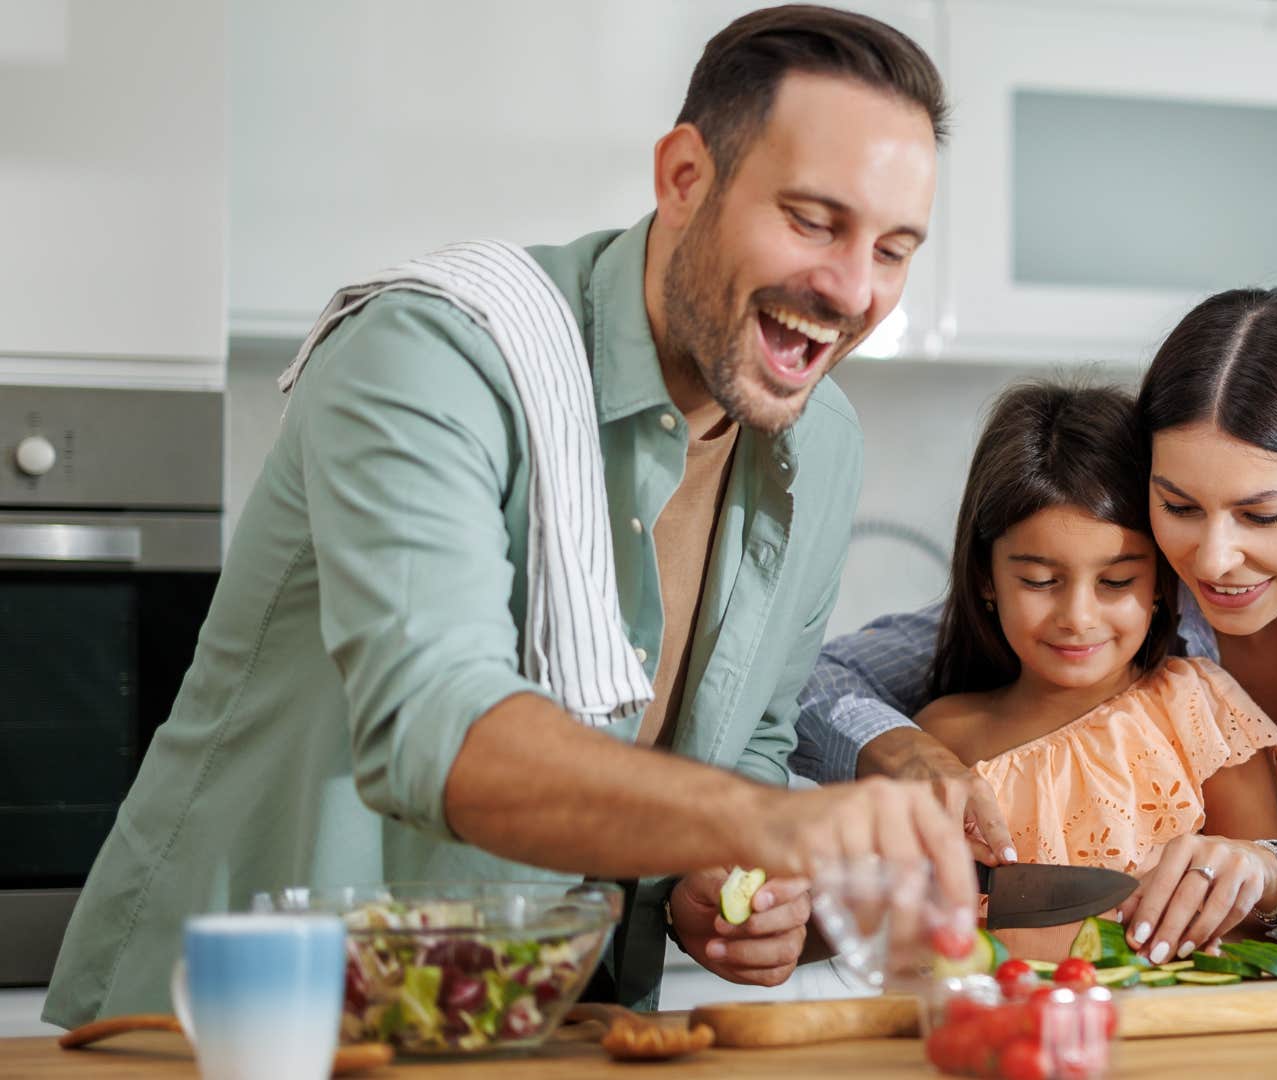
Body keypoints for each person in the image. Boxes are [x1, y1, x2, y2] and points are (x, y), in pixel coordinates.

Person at [45, 5, 973, 1028]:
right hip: (242, 1028)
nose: (852, 288)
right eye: (811, 219)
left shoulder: (824, 442)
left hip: (549, 1032)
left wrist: (718, 878)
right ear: (683, 177)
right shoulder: (434, 351)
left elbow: (745, 734)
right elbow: (436, 729)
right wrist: (789, 826)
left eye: (893, 248)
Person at [796, 287, 1277, 967]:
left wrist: (1275, 874)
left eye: (1262, 515)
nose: (1211, 560)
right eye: (1178, 505)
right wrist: (904, 753)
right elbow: (810, 681)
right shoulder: (1129, 567)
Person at [913, 380, 1277, 961]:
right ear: (986, 579)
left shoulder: (1200, 711)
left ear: (1162, 583)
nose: (1078, 617)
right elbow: (911, 937)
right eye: (1040, 581)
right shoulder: (940, 742)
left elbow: (1261, 924)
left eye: (1117, 582)